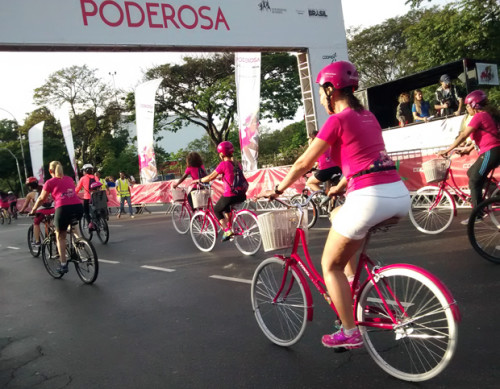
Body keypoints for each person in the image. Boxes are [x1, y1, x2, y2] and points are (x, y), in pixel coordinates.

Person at [264, 61, 410, 349]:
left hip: (369, 199)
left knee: (329, 265)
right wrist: (341, 187)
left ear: (330, 89)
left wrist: (278, 188)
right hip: (398, 194)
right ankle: (357, 295)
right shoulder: (368, 116)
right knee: (338, 215)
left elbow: (304, 162)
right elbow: (368, 160)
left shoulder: (337, 120)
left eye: (321, 91)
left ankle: (349, 331)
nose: (320, 97)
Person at [437, 90, 500, 223]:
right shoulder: (486, 115)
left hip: (491, 152)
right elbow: (485, 135)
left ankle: (478, 214)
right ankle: (491, 195)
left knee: (474, 180)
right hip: (492, 151)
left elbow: (463, 135)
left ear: (474, 105)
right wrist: (468, 149)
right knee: (471, 173)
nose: (466, 108)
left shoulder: (479, 116)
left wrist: (447, 150)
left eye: (467, 105)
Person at [29, 161, 83, 274]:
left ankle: (63, 264)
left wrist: (33, 209)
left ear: (50, 171)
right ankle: (79, 242)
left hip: (63, 208)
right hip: (78, 207)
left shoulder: (49, 182)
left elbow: (41, 198)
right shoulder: (69, 179)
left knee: (60, 236)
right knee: (72, 224)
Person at [193, 141, 247, 241]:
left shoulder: (223, 164)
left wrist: (199, 180)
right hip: (242, 194)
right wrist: (221, 177)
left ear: (221, 154)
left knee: (217, 209)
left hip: (231, 194)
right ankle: (229, 227)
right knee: (226, 206)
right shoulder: (237, 163)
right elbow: (232, 175)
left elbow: (209, 177)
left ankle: (227, 230)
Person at [306, 130, 342, 204]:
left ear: (312, 139)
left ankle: (322, 196)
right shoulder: (329, 143)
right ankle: (333, 206)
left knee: (309, 182)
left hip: (326, 170)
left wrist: (307, 169)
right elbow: (321, 159)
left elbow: (310, 160)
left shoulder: (316, 146)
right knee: (331, 192)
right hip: (338, 168)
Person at [19, 177, 55, 247]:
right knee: (51, 225)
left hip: (41, 212)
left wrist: (21, 211)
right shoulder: (45, 190)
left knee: (36, 223)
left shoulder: (30, 194)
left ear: (29, 186)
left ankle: (37, 241)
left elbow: (25, 205)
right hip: (52, 210)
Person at [75, 164, 97, 230]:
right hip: (96, 197)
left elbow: (77, 188)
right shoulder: (95, 177)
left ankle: (90, 224)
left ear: (85, 171)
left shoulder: (83, 178)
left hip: (87, 198)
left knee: (86, 211)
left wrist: (73, 194)